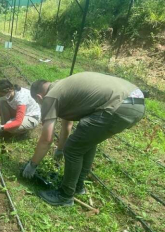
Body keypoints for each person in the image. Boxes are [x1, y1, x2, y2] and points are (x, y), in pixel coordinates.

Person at [22, 72, 145, 206]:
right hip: (136, 99)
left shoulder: (50, 97)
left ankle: (65, 195)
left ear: (39, 97)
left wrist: (32, 165)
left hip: (119, 105)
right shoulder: (62, 87)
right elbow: (67, 124)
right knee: (86, 141)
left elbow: (46, 138)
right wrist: (59, 149)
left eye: (39, 102)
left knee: (73, 149)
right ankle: (78, 186)